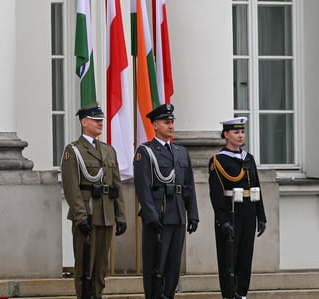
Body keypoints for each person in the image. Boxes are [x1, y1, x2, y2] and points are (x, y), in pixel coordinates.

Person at [61, 103, 127, 299]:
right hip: (88, 216)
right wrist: (81, 218)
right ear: (84, 122)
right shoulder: (73, 151)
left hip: (106, 215)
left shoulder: (108, 150)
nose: (100, 123)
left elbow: (117, 186)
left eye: (101, 120)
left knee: (100, 268)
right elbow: (72, 188)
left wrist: (120, 216)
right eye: (95, 120)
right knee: (84, 268)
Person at [134, 103, 198, 299]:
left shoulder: (180, 151)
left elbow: (189, 185)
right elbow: (143, 187)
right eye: (165, 122)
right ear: (154, 125)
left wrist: (193, 214)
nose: (170, 126)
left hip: (178, 214)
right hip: (159, 215)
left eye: (172, 122)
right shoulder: (145, 151)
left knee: (173, 267)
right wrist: (152, 215)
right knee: (156, 266)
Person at [208, 117, 267, 299]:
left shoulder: (248, 158)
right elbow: (216, 195)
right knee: (229, 259)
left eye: (242, 132)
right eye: (236, 132)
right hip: (231, 213)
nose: (240, 135)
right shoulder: (218, 160)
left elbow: (256, 186)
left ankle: (242, 293)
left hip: (249, 212)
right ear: (226, 135)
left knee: (245, 257)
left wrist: (261, 216)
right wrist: (222, 220)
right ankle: (229, 294)